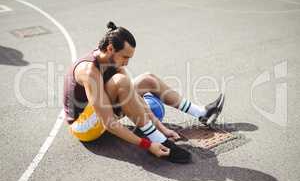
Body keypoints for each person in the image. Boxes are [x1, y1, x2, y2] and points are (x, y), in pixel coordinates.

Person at [63, 21, 224, 164]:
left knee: (148, 79)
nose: (126, 63)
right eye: (125, 57)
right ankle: (160, 144)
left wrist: (161, 128)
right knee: (121, 82)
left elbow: (133, 95)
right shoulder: (89, 70)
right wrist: (148, 144)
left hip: (100, 112)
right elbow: (108, 122)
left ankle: (201, 113)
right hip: (83, 127)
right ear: (110, 48)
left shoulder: (112, 60)